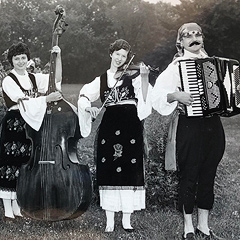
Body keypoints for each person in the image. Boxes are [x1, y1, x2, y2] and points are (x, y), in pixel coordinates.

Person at [151, 23, 225, 240]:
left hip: (213, 126)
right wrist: (176, 96)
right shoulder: (176, 67)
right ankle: (188, 227)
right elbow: (156, 96)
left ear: (202, 38)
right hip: (189, 126)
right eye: (187, 35)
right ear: (180, 42)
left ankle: (204, 226)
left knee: (208, 174)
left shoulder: (213, 64)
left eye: (197, 34)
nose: (194, 38)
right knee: (189, 176)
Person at [77, 39, 152, 232]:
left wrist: (144, 78)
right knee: (108, 167)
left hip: (130, 126)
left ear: (128, 58)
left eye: (124, 56)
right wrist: (89, 108)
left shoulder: (133, 76)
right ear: (111, 54)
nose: (120, 59)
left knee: (129, 167)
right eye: (117, 54)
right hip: (109, 126)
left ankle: (127, 220)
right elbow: (84, 95)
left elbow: (145, 97)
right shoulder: (101, 79)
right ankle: (110, 220)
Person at [0, 42, 63, 221]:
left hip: (31, 124)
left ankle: (17, 206)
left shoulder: (34, 78)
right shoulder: (8, 80)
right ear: (11, 61)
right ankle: (7, 210)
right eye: (16, 58)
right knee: (10, 164)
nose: (20, 61)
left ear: (28, 59)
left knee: (23, 164)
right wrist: (45, 99)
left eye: (23, 58)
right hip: (14, 124)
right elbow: (22, 102)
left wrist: (58, 58)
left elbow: (55, 80)